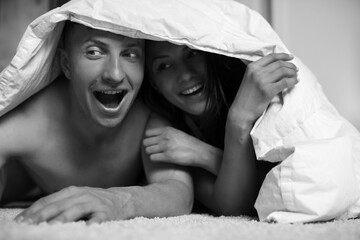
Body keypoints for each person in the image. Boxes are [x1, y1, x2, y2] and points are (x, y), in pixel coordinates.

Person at [0, 22, 193, 224]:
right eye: (94, 52)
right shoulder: (29, 120)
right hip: (28, 181)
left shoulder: (149, 112)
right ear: (66, 64)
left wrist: (118, 201)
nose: (115, 74)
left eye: (130, 54)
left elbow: (179, 192)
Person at [141, 40, 299, 216]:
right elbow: (232, 205)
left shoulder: (246, 86)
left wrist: (237, 119)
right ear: (154, 83)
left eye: (192, 54)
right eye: (164, 65)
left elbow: (288, 178)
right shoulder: (169, 129)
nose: (185, 75)